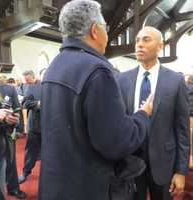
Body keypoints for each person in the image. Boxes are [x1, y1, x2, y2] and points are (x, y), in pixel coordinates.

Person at [38, 1, 153, 200]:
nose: (107, 35)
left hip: (57, 183)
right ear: (94, 30)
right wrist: (143, 116)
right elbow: (116, 142)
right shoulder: (97, 70)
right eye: (106, 28)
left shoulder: (55, 66)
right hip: (88, 185)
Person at [118, 26, 190, 200]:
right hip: (131, 161)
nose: (139, 45)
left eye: (146, 39)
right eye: (137, 41)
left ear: (160, 46)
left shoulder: (175, 81)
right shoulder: (122, 79)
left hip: (164, 162)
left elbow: (182, 130)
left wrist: (180, 171)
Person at [0, 59, 26, 199]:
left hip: (2, 138)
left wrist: (13, 121)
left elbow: (15, 110)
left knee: (7, 167)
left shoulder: (5, 89)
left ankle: (12, 188)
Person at [18, 72, 42, 184]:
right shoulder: (32, 88)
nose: (26, 82)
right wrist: (37, 104)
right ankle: (25, 172)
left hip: (50, 128)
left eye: (28, 80)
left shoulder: (53, 88)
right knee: (30, 152)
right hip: (35, 127)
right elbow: (25, 103)